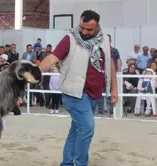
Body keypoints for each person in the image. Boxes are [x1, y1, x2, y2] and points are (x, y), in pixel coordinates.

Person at [38, 10, 118, 166]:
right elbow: (51, 58)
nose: (84, 32)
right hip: (74, 93)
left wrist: (114, 88)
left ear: (97, 27)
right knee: (87, 127)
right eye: (82, 27)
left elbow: (110, 64)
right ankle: (81, 163)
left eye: (89, 29)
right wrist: (34, 72)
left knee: (76, 130)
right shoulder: (70, 38)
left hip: (94, 95)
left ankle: (67, 163)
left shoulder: (105, 40)